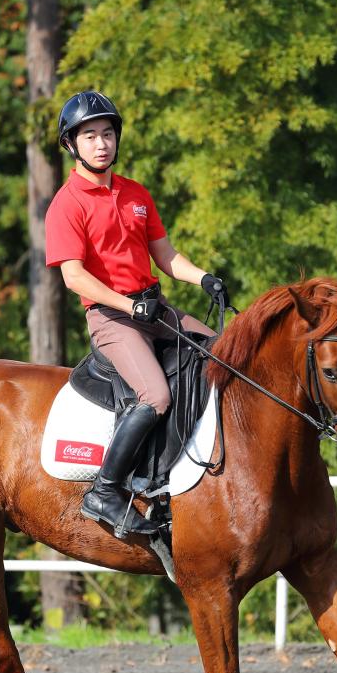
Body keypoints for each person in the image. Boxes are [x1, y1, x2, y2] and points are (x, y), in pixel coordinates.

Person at [45, 90, 230, 537]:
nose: (101, 143)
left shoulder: (135, 193)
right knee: (155, 397)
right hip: (113, 319)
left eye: (107, 134)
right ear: (72, 144)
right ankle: (105, 492)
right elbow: (74, 277)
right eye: (90, 136)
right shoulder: (67, 204)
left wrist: (204, 277)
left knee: (224, 357)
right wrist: (129, 304)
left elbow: (165, 256)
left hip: (155, 309)